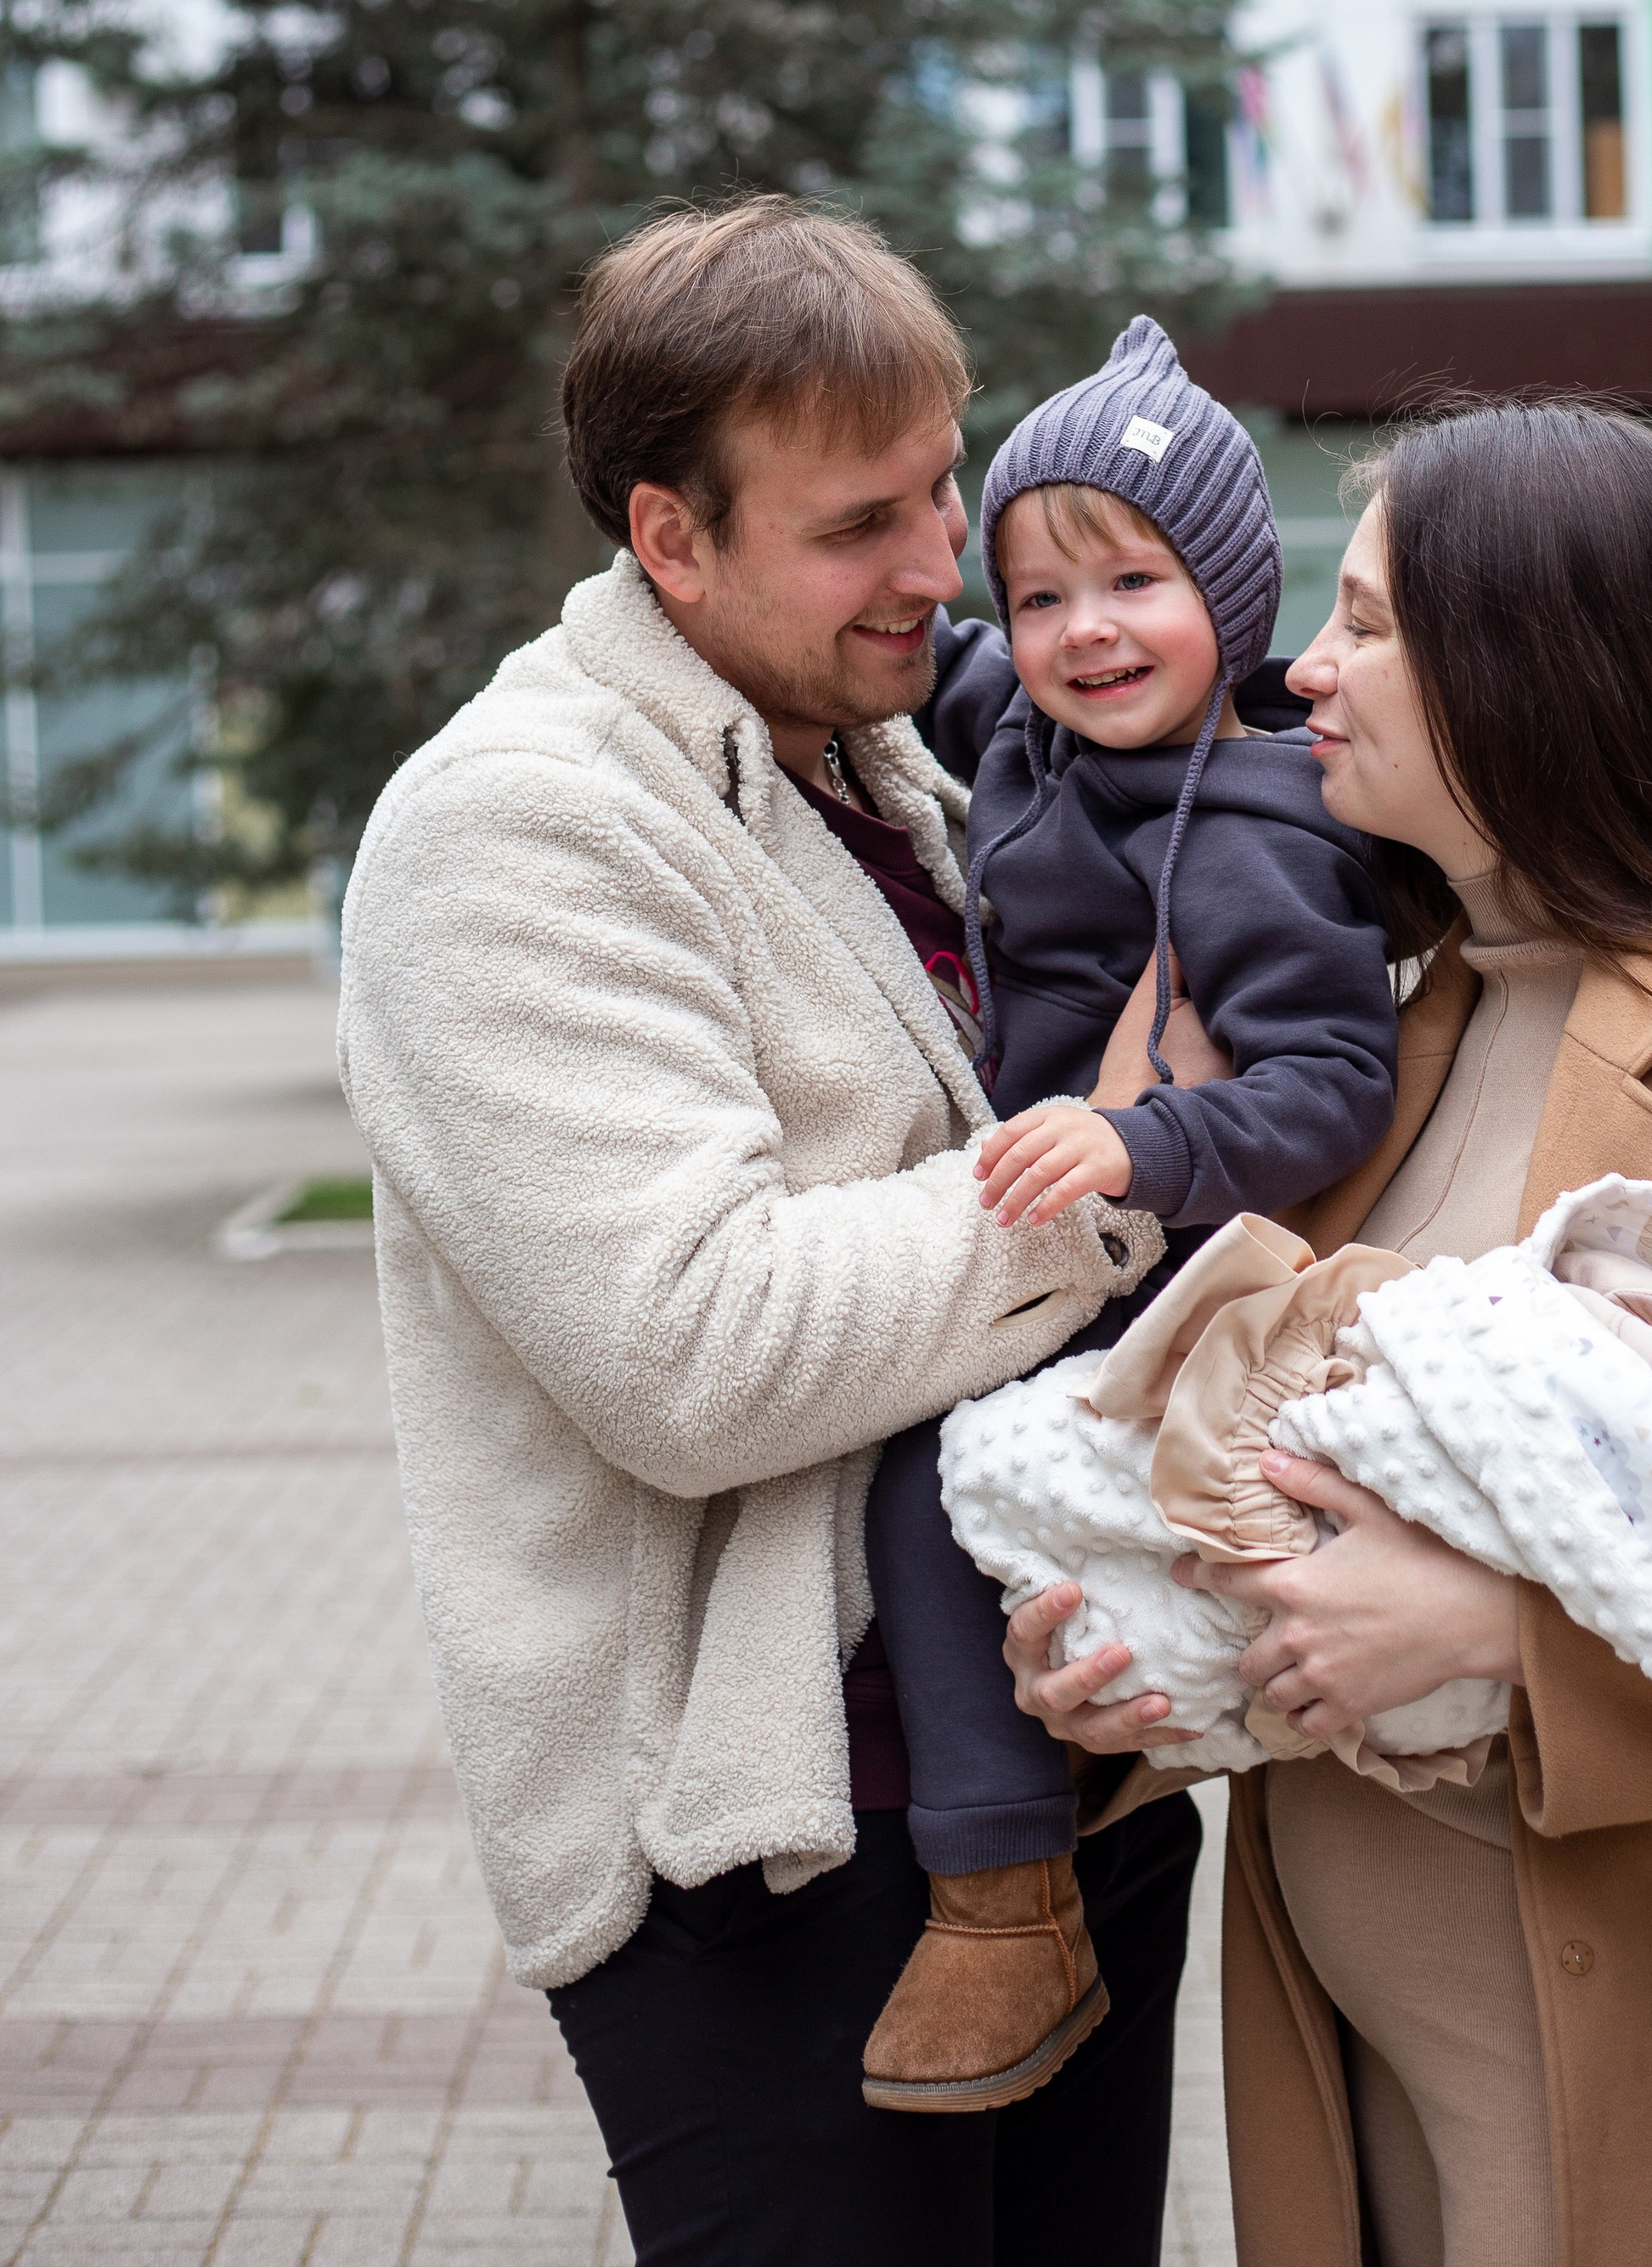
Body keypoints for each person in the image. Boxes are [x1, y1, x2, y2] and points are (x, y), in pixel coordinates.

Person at [1001, 397, 1652, 2267]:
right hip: (1378, 2095)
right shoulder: (1397, 1039)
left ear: (1533, 665)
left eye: (1366, 622)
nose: (1302, 669)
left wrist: (1503, 1638)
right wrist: (1131, 1685)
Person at [335, 199, 1199, 2267]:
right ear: (671, 537)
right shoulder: (517, 824)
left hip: (1060, 1766)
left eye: (938, 490)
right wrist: (1109, 1173)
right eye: (854, 526)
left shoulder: (873, 756)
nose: (936, 566)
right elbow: (695, 1350)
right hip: (775, 1839)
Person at [857, 318, 1398, 2115]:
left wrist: (1142, 1140)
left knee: (932, 1485)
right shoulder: (1025, 725)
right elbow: (925, 663)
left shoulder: (1258, 839)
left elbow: (1333, 1081)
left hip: (1141, 1258)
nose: (1083, 631)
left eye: (1133, 585)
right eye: (1041, 596)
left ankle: (1002, 1896)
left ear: (1228, 599)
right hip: (1029, 1216)